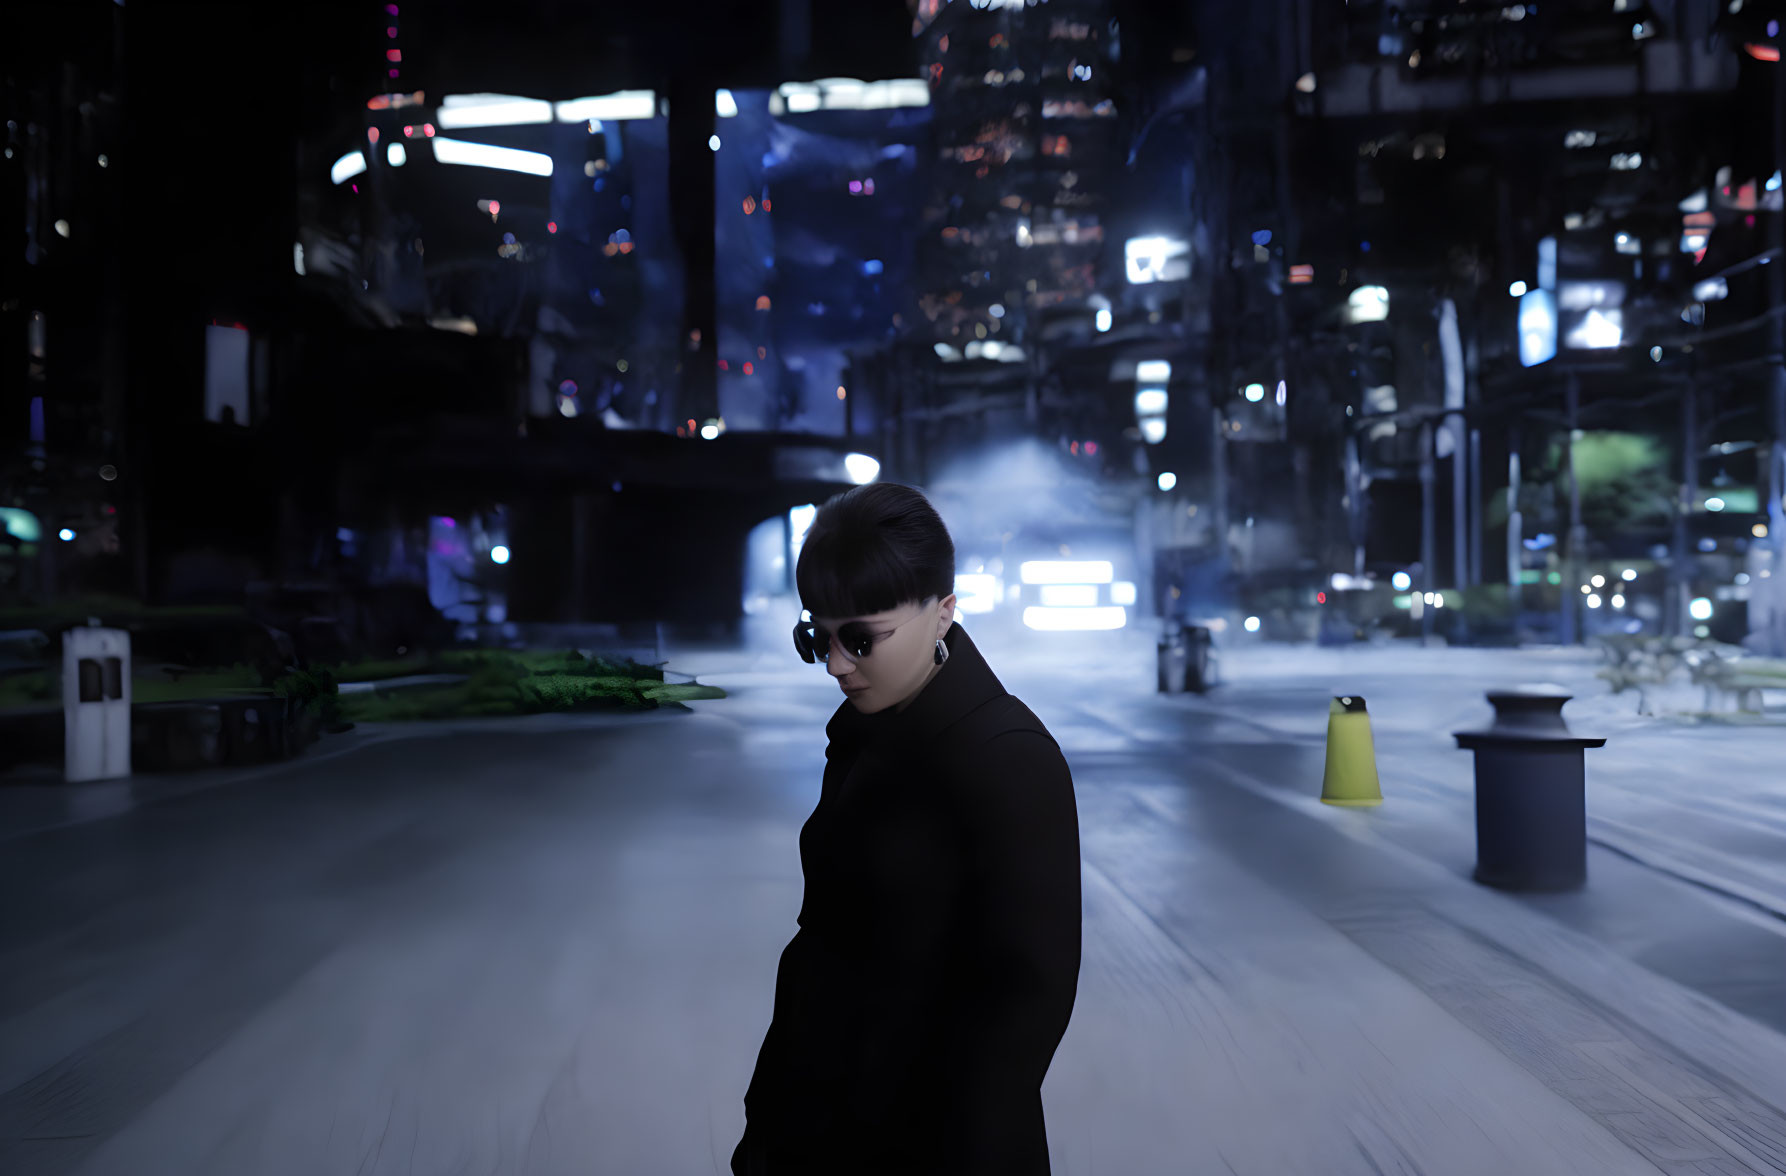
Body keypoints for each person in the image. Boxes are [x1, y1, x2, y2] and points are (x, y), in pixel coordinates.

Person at [732, 482, 1082, 1175]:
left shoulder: (1008, 759)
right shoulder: (865, 735)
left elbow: (1022, 1012)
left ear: (944, 611)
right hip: (814, 1125)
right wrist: (769, 1120)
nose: (836, 664)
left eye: (861, 638)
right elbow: (820, 951)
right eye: (817, 637)